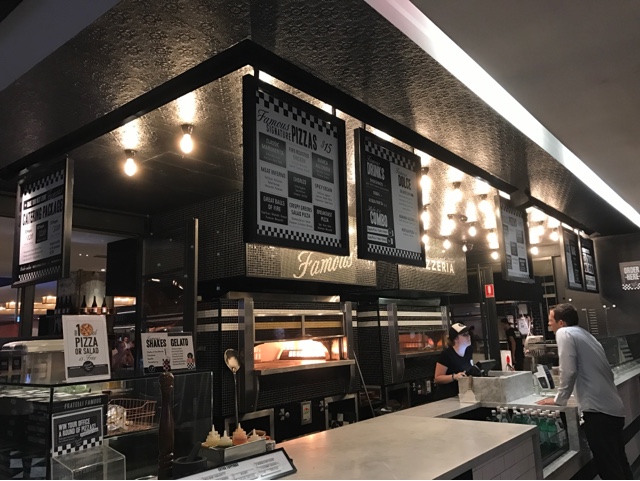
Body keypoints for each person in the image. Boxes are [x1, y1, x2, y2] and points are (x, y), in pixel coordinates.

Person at [537, 303, 631, 479]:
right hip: (613, 409)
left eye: (551, 321)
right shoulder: (586, 335)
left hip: (598, 412)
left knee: (609, 469)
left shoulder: (564, 333)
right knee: (620, 464)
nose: (549, 325)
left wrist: (559, 399)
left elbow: (568, 370)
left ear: (561, 323)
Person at [434, 323, 474, 399]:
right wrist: (454, 376)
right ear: (455, 339)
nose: (468, 336)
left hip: (463, 394)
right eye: (464, 334)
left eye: (468, 334)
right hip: (448, 397)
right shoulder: (446, 354)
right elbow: (437, 378)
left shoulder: (469, 350)